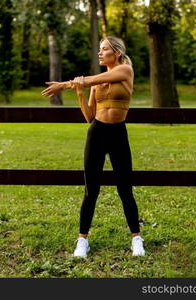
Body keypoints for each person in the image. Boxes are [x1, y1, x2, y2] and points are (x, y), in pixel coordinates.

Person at [41, 36, 145, 258]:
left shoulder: (125, 70)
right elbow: (89, 116)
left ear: (116, 52)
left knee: (125, 189)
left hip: (118, 133)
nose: (100, 53)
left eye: (104, 49)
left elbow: (90, 80)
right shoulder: (95, 82)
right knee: (91, 190)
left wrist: (64, 85)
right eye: (99, 49)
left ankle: (136, 239)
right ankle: (82, 241)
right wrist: (78, 91)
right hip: (97, 133)